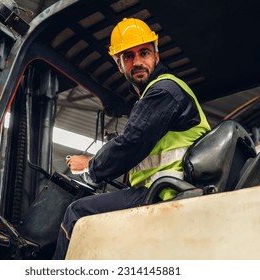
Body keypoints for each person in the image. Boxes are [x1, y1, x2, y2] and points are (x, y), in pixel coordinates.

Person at [52, 17, 211, 259]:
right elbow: (143, 150)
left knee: (77, 213)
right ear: (119, 65)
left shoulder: (163, 91)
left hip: (165, 192)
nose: (137, 62)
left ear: (156, 57)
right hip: (163, 189)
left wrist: (92, 168)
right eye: (128, 56)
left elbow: (132, 142)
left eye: (143, 53)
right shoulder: (157, 95)